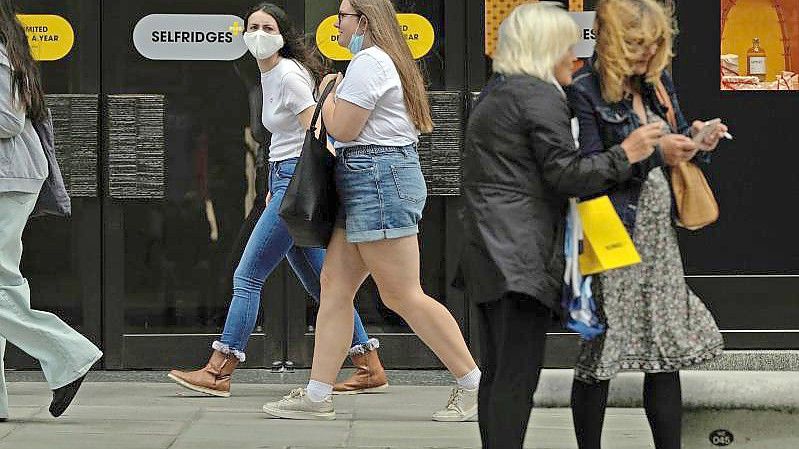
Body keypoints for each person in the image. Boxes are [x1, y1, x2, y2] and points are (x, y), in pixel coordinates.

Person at [262, 0, 481, 422]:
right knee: (335, 287)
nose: (336, 23)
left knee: (401, 293)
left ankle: (473, 384)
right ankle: (317, 394)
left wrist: (325, 93)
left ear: (363, 21)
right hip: (369, 178)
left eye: (342, 15)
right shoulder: (383, 62)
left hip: (378, 180)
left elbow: (343, 128)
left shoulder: (368, 63)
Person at [461, 3, 665, 448]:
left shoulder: (498, 92)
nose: (577, 58)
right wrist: (626, 154)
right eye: (567, 47)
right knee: (516, 379)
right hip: (519, 254)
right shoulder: (538, 96)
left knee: (498, 375)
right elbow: (566, 174)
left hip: (491, 250)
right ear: (545, 48)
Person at [168, 2, 387, 398]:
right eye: (252, 26)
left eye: (267, 27)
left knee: (247, 276)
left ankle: (220, 369)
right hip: (282, 180)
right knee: (325, 285)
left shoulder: (287, 74)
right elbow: (280, 140)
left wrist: (304, 187)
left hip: (294, 183)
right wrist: (273, 180)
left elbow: (317, 131)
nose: (258, 33)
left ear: (282, 36)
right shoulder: (266, 74)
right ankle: (367, 365)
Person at [566, 1, 727, 448]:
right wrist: (655, 153)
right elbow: (585, 171)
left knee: (663, 351)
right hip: (609, 226)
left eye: (654, 44)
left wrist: (696, 142)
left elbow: (673, 150)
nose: (645, 53)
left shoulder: (658, 85)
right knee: (602, 349)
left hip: (658, 234)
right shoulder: (585, 90)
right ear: (612, 39)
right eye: (636, 43)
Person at [0, 0, 103, 420]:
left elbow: (8, 119)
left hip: (7, 180)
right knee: (4, 285)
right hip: (11, 180)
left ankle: (68, 354)